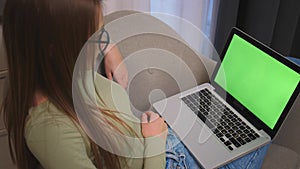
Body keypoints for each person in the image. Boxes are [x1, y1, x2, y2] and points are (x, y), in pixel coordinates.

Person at [1, 0, 268, 169]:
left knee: (278, 73)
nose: (100, 41)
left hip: (154, 136)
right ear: (57, 48)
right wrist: (153, 142)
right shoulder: (52, 132)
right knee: (265, 131)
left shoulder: (60, 71)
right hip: (161, 157)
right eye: (94, 36)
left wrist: (110, 48)